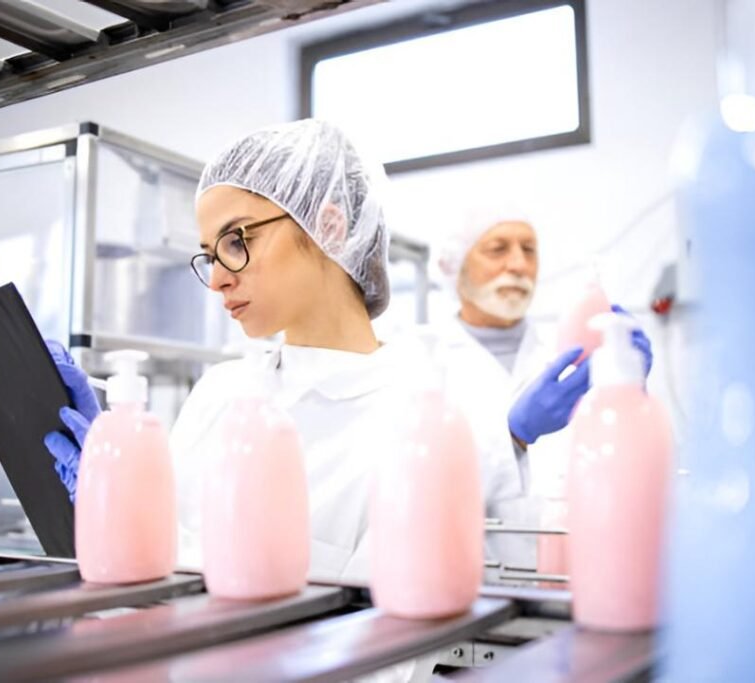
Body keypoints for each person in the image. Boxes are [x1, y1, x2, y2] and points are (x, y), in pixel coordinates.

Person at [43, 119, 524, 584]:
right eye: (209, 255)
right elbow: (161, 559)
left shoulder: (420, 419)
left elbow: (381, 629)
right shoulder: (219, 392)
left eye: (236, 241)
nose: (217, 278)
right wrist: (114, 498)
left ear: (329, 228)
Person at [435, 206, 653, 562]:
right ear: (452, 266)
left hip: (574, 575)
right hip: (472, 581)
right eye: (498, 249)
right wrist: (513, 436)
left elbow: (620, 473)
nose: (518, 264)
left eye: (529, 250)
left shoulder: (571, 351)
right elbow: (417, 492)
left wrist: (632, 395)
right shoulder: (419, 361)